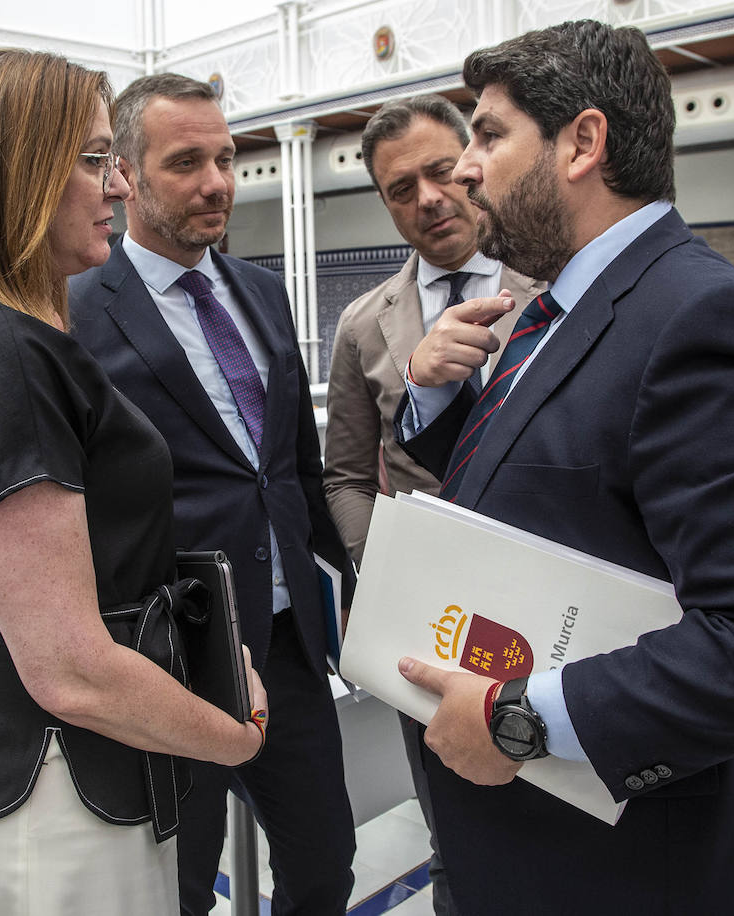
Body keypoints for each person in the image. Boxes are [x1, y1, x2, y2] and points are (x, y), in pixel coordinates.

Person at [390, 20, 734, 914]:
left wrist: (519, 719)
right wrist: (436, 399)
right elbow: (562, 487)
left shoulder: (704, 323)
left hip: (630, 865)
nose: (463, 167)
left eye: (489, 135)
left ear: (583, 142)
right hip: (528, 841)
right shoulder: (558, 311)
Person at [0, 49, 268, 916]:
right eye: (96, 159)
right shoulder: (2, 356)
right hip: (46, 791)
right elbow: (71, 670)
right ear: (19, 173)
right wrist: (231, 738)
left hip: (57, 771)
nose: (120, 188)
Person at [70, 73, 356, 916]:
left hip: (288, 644)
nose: (217, 182)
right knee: (179, 886)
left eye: (227, 158)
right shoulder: (78, 312)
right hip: (171, 652)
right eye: (187, 160)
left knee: (323, 864)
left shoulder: (261, 292)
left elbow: (292, 466)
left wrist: (337, 601)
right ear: (124, 173)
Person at [323, 93, 543, 916]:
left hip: (550, 610)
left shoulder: (558, 282)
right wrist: (384, 569)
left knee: (563, 811)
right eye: (399, 188)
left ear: (474, 161)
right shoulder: (362, 325)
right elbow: (344, 474)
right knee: (456, 826)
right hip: (433, 624)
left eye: (440, 172)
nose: (427, 200)